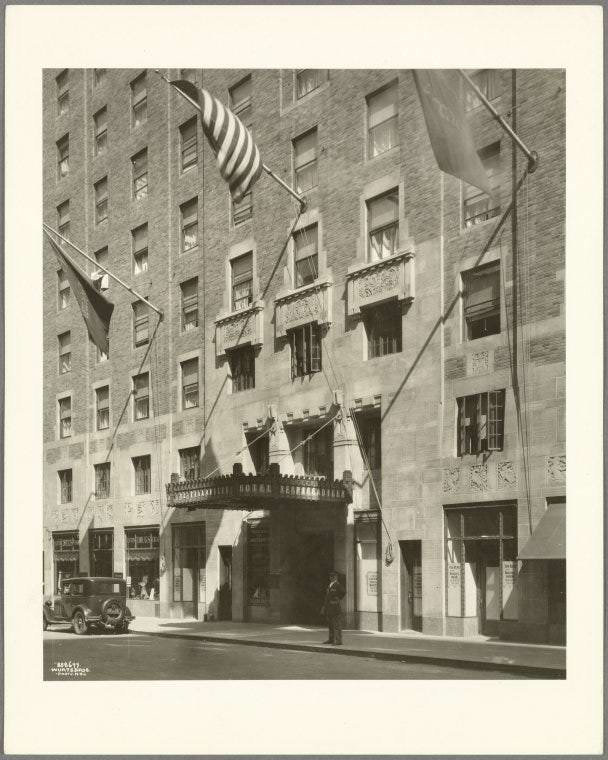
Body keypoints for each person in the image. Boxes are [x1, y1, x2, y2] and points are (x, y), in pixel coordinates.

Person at [321, 571, 346, 645]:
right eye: (331, 576)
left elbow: (343, 592)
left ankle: (338, 641)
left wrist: (338, 599)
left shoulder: (337, 585)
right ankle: (331, 639)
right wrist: (324, 606)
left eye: (333, 576)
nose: (331, 578)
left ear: (336, 577)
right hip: (329, 608)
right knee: (330, 625)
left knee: (336, 625)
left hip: (335, 608)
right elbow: (327, 597)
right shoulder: (330, 585)